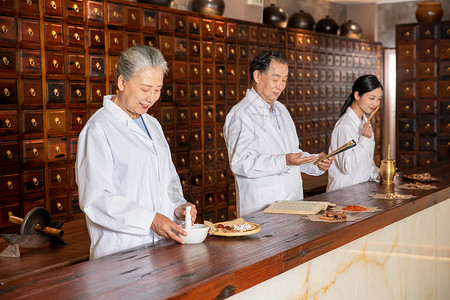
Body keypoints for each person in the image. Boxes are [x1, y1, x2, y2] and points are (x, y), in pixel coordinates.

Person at [76, 46, 196, 260]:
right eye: (145, 88)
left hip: (160, 247)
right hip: (120, 250)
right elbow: (95, 199)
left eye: (157, 89)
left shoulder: (152, 124)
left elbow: (167, 181)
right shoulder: (99, 129)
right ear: (122, 83)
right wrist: (150, 219)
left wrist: (178, 206)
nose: (151, 98)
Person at [223, 50, 334, 217]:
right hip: (262, 208)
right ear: (257, 76)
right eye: (275, 79)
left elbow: (292, 154)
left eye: (284, 80)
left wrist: (315, 163)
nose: (281, 86)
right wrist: (283, 160)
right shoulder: (241, 114)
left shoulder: (281, 109)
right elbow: (240, 163)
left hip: (293, 203)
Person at [327, 74, 383, 192]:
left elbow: (366, 163)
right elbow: (347, 167)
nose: (376, 103)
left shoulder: (364, 121)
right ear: (357, 95)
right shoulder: (345, 126)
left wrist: (378, 174)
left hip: (360, 191)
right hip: (343, 193)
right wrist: (364, 140)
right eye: (372, 98)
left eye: (379, 99)